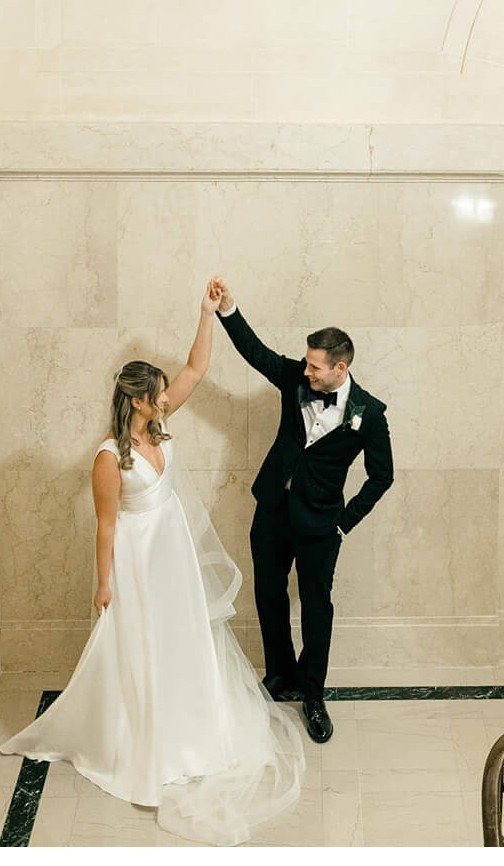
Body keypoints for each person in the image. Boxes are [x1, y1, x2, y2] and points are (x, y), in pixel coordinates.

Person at [0, 286, 304, 845]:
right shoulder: (108, 457)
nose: (166, 398)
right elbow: (107, 525)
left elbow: (196, 365)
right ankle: (147, 741)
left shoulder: (160, 420)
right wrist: (103, 585)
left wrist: (206, 313)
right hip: (138, 559)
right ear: (138, 401)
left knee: (184, 638)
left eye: (165, 395)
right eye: (157, 395)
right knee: (145, 646)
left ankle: (192, 727)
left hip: (174, 550)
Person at [211, 276, 394, 745]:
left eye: (315, 367)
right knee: (269, 597)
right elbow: (257, 353)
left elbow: (382, 476)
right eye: (307, 364)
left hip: (320, 526)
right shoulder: (295, 378)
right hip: (272, 511)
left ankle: (313, 695)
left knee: (317, 611)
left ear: (340, 366)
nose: (306, 372)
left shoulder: (369, 414)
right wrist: (228, 309)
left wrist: (343, 523)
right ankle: (280, 674)